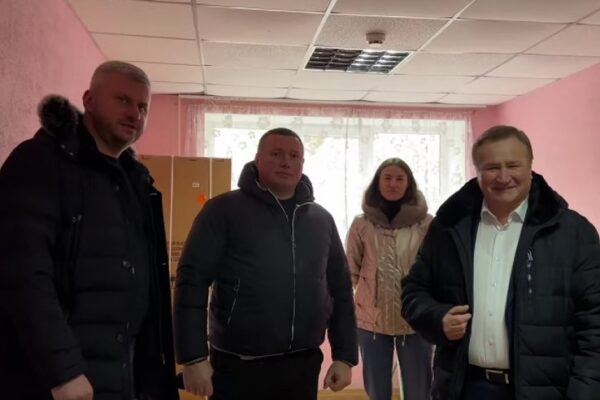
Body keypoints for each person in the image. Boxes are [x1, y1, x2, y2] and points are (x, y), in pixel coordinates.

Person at [0, 61, 179, 400]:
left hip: (121, 375)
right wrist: (63, 370)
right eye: (123, 100)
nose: (134, 114)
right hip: (57, 380)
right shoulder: (40, 162)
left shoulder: (137, 181)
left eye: (143, 107)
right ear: (89, 100)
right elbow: (22, 273)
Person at [401, 125, 600, 400]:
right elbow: (413, 293)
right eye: (492, 167)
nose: (504, 177)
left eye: (513, 165)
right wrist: (437, 318)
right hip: (464, 388)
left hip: (547, 391)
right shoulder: (448, 227)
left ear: (530, 166)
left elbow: (594, 323)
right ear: (477, 172)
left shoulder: (574, 233)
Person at [173, 127, 358, 400]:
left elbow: (340, 290)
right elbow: (192, 281)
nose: (286, 162)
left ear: (302, 163)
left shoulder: (321, 220)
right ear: (258, 159)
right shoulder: (223, 210)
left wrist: (344, 356)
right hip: (238, 366)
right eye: (276, 154)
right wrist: (193, 358)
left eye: (294, 156)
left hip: (302, 365)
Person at [346, 158, 433, 400]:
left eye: (399, 178)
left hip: (415, 320)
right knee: (377, 392)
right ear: (377, 182)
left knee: (419, 391)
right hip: (371, 321)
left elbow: (436, 269)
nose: (393, 184)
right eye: (387, 178)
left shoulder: (426, 223)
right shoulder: (361, 224)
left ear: (409, 183)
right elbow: (350, 269)